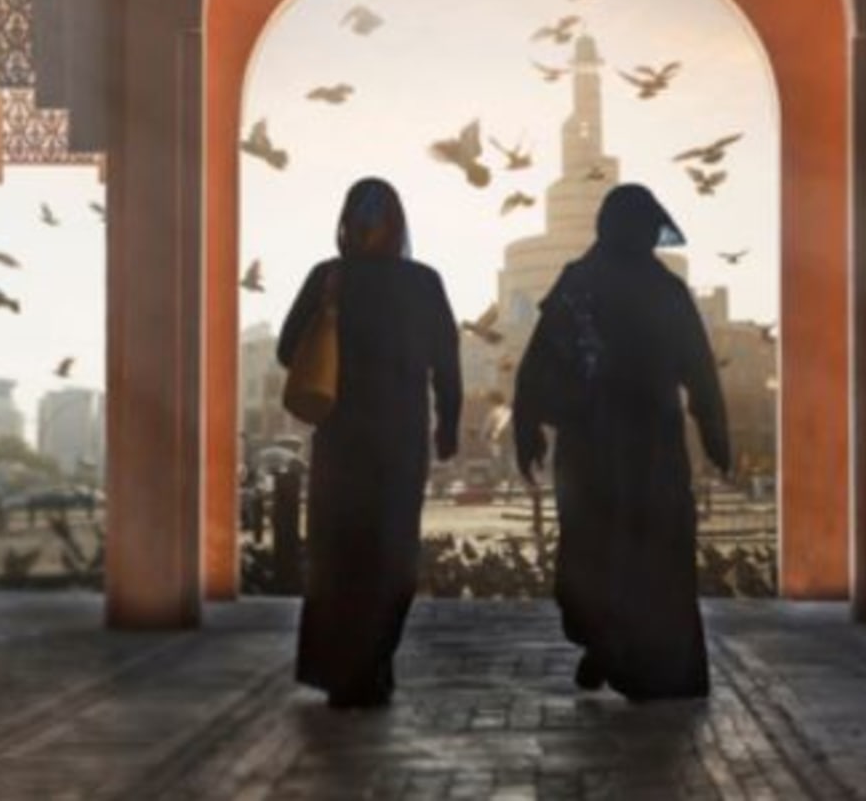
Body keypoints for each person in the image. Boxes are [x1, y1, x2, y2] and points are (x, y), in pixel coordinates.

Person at [513, 184, 731, 701]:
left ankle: (605, 641)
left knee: (594, 547)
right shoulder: (665, 290)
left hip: (588, 444)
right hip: (650, 445)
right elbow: (699, 371)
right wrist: (716, 435)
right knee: (650, 551)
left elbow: (539, 363)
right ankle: (632, 655)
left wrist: (529, 430)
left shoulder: (578, 284)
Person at [277, 177, 462, 707]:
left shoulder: (328, 278)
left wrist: (335, 348)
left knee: (340, 554)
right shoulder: (423, 283)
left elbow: (290, 350)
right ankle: (375, 662)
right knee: (392, 553)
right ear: (398, 224)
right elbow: (446, 363)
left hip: (341, 437)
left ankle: (342, 670)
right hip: (400, 439)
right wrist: (447, 424)